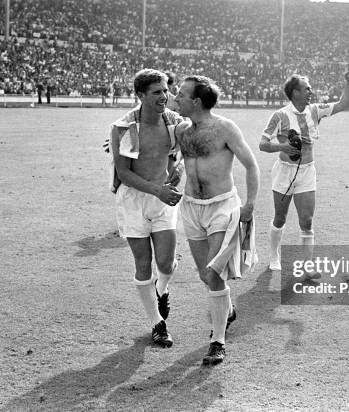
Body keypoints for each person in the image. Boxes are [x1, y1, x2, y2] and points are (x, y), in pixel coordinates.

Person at [174, 75, 259, 365]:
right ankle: (228, 310)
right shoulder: (182, 129)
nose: (177, 96)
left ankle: (218, 342)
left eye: (182, 94)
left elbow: (251, 164)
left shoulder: (224, 128)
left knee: (214, 275)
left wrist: (249, 204)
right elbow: (176, 161)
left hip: (222, 207)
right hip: (191, 207)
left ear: (196, 101)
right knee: (204, 275)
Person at [259, 62, 349, 274]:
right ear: (295, 92)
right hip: (285, 171)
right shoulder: (280, 116)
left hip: (307, 171)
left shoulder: (315, 111)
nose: (310, 91)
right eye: (307, 88)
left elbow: (343, 104)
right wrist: (283, 146)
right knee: (280, 217)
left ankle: (307, 267)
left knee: (306, 220)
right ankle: (274, 256)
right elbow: (263, 144)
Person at [108, 69, 185, 347]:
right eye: (157, 92)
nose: (164, 96)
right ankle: (157, 324)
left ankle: (161, 289)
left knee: (165, 263)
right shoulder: (126, 127)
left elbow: (179, 156)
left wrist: (175, 171)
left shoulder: (174, 121)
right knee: (143, 263)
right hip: (134, 200)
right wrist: (159, 190)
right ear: (140, 95)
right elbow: (125, 173)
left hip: (162, 196)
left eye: (165, 90)